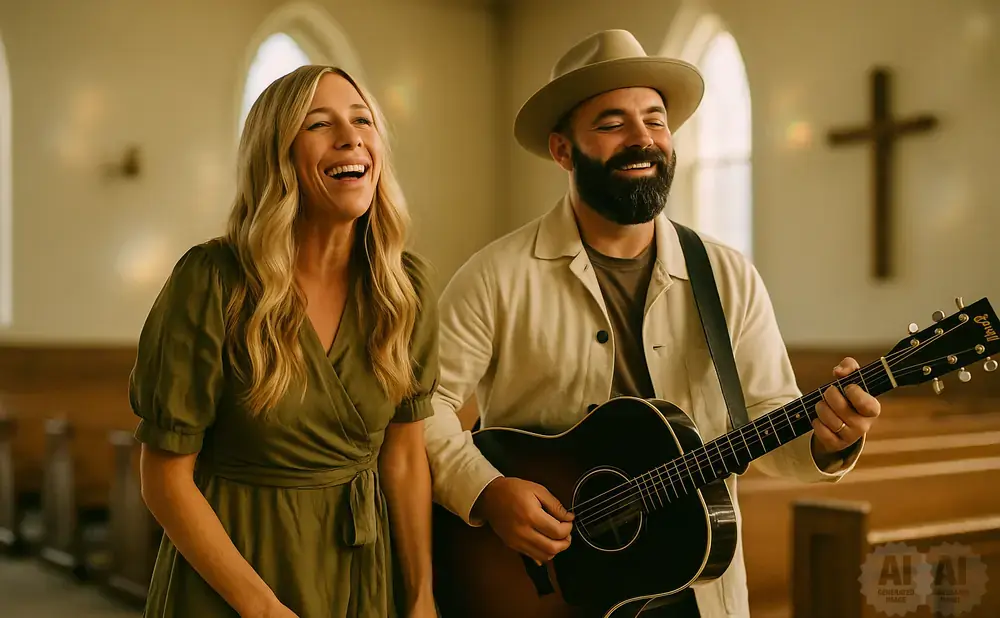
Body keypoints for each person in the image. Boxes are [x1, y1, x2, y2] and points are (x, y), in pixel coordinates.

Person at [423, 29, 880, 617]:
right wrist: (485, 492)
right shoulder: (494, 276)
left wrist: (828, 437)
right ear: (564, 151)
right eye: (612, 124)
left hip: (698, 589)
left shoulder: (727, 276)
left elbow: (769, 415)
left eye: (655, 121)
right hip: (545, 587)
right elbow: (422, 410)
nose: (643, 140)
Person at [129, 65, 439, 618]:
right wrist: (264, 610)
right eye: (320, 124)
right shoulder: (212, 281)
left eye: (362, 119)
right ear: (277, 157)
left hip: (361, 578)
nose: (351, 137)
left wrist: (420, 597)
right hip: (235, 578)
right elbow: (164, 476)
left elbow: (406, 456)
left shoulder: (403, 287)